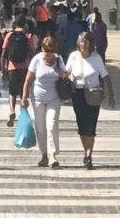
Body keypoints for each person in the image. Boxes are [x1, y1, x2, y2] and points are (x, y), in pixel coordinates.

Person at [67, 31, 112, 169]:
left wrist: (111, 94)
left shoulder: (96, 58)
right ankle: (85, 149)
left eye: (85, 41)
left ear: (90, 43)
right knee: (81, 124)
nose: (83, 44)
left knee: (91, 125)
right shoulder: (73, 56)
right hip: (78, 93)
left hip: (93, 93)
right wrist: (69, 78)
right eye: (81, 41)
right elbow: (67, 71)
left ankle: (88, 155)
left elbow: (105, 76)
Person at [21, 33, 67, 169]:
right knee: (40, 128)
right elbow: (28, 79)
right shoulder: (36, 60)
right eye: (45, 51)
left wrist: (62, 74)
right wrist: (24, 97)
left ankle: (52, 155)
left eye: (50, 51)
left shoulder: (59, 60)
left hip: (54, 98)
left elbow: (67, 76)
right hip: (38, 98)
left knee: (51, 125)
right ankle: (44, 155)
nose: (47, 54)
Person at [1, 14, 33, 127]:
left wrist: (2, 70)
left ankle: (12, 111)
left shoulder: (9, 35)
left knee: (12, 91)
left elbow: (3, 54)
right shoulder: (28, 36)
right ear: (24, 24)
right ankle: (22, 113)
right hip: (25, 68)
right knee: (23, 92)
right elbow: (32, 52)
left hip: (12, 67)